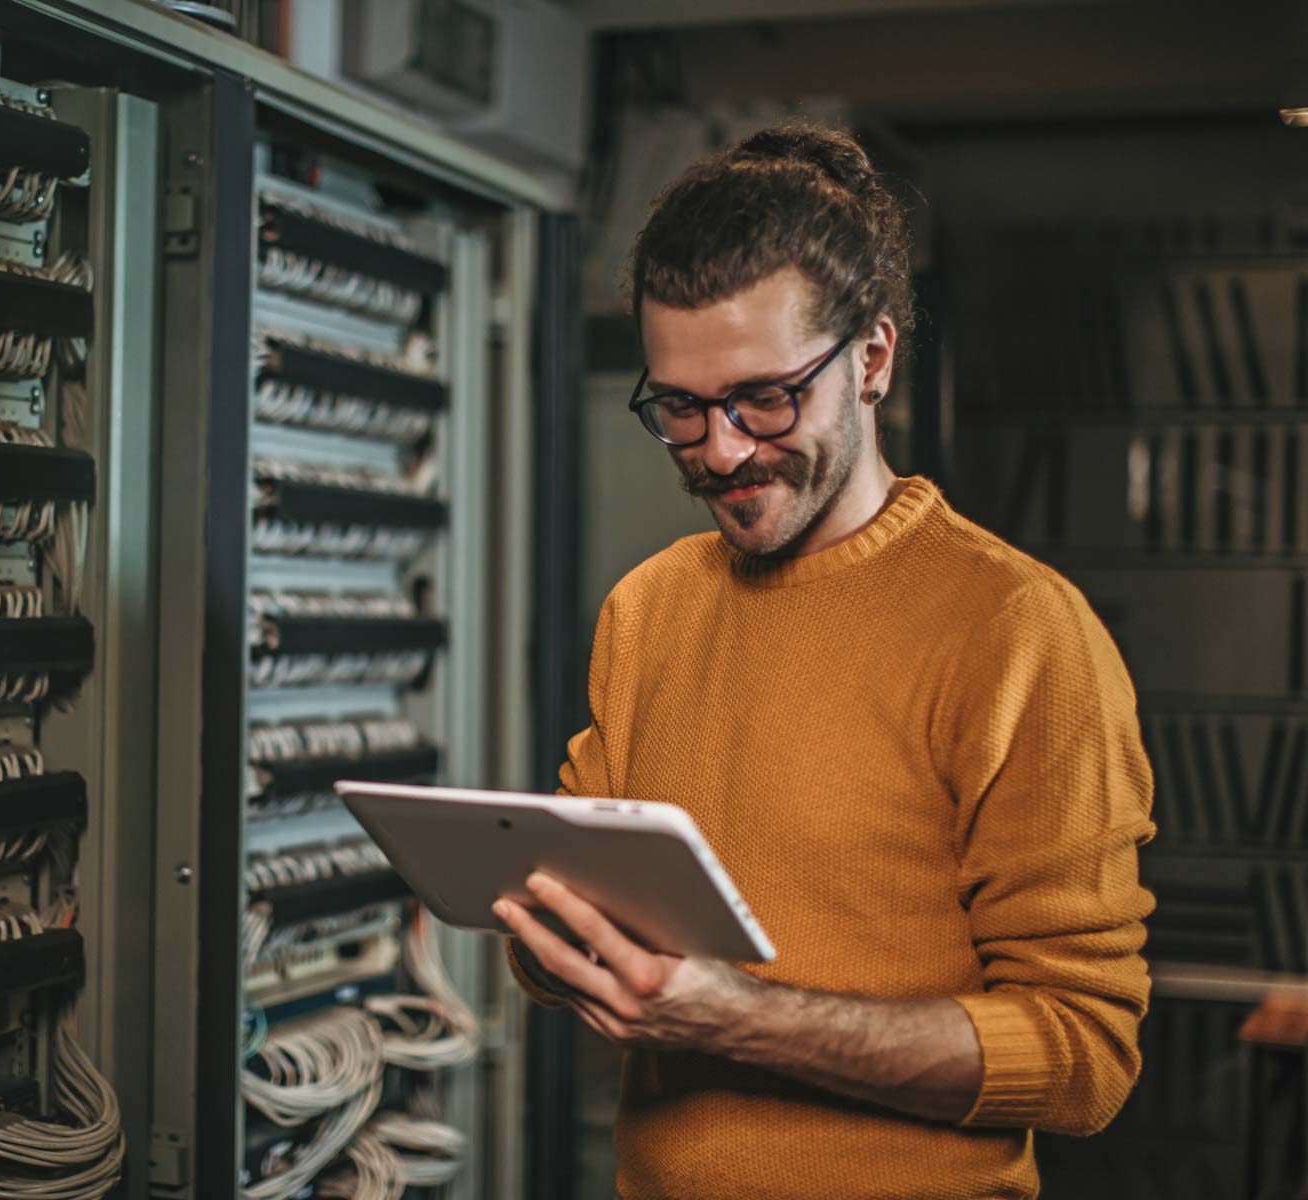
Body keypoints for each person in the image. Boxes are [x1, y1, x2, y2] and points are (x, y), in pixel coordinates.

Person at [494, 125, 1155, 1200]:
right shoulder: (648, 608)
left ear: (874, 359)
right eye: (680, 408)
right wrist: (548, 935)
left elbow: (1083, 1058)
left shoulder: (1018, 631)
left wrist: (739, 1020)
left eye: (766, 397)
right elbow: (585, 906)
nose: (720, 450)